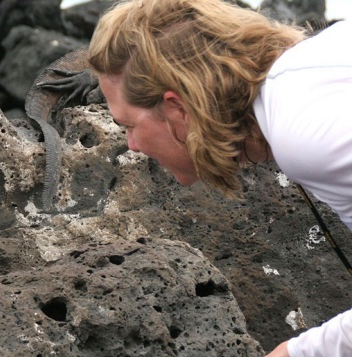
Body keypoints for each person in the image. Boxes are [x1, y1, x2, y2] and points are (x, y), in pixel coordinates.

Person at [86, 0, 352, 356]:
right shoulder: (316, 67)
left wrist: (299, 352)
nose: (131, 146)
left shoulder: (307, 134)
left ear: (176, 108)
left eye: (129, 125)